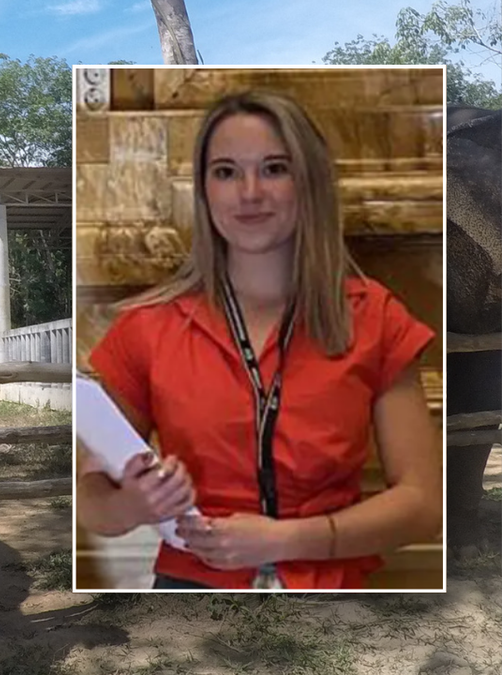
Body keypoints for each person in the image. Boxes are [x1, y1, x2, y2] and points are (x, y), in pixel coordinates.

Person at [76, 90, 441, 590]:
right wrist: (132, 504)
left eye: (274, 168)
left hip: (334, 594)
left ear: (308, 182)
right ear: (204, 191)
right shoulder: (146, 328)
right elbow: (91, 499)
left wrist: (286, 541)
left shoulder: (375, 316)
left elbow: (424, 504)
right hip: (190, 594)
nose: (249, 192)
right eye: (226, 172)